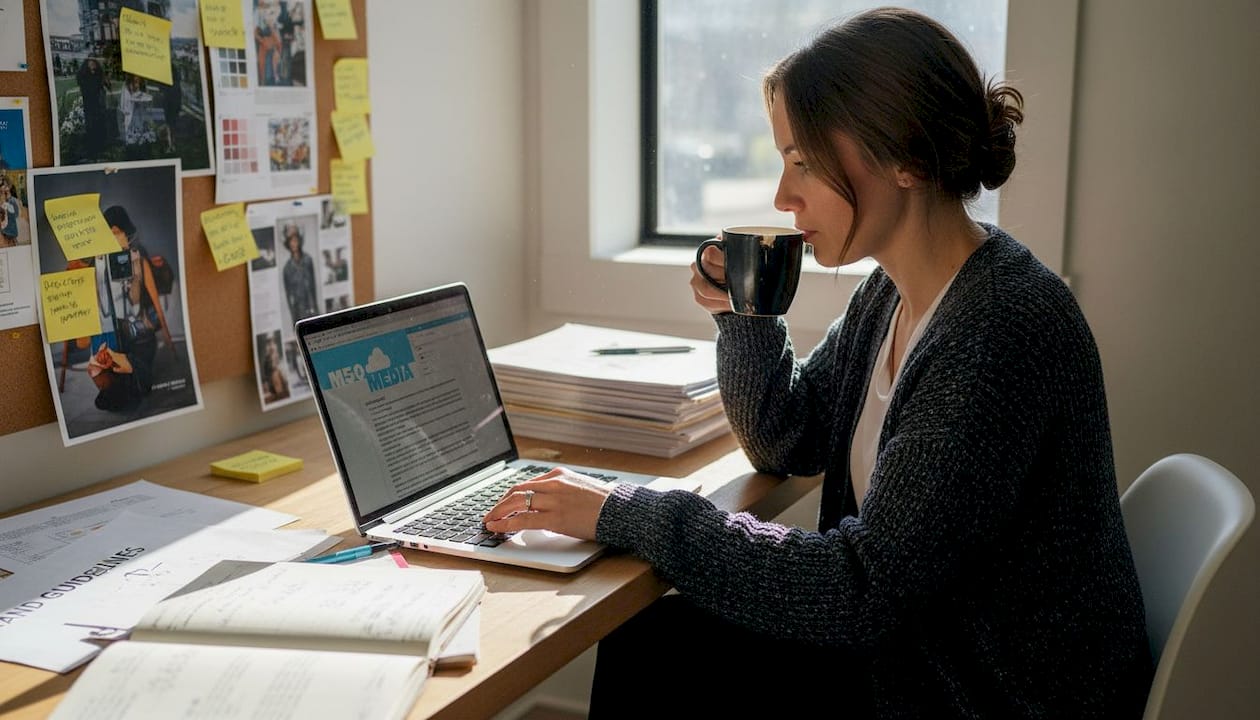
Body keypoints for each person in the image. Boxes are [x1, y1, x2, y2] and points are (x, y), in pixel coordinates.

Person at [484, 8, 1153, 718]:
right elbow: (788, 438)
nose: (781, 195)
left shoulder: (999, 331)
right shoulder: (894, 295)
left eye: (802, 161)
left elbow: (856, 589)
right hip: (921, 651)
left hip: (976, 692)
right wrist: (745, 316)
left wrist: (628, 513)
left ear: (908, 158)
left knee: (658, 657)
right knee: (657, 643)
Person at [75, 58, 111, 161]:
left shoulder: (99, 75)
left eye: (94, 62)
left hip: (99, 106)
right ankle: (92, 151)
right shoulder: (83, 76)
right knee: (91, 127)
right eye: (90, 62)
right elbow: (88, 89)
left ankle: (101, 149)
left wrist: (106, 81)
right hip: (90, 106)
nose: (92, 64)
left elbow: (108, 87)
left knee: (100, 126)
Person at [281, 223, 318, 323]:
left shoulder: (308, 260)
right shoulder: (287, 268)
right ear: (288, 244)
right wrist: (294, 319)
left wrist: (315, 308)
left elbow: (313, 287)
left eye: (295, 240)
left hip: (311, 308)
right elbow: (289, 296)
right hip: (299, 311)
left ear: (299, 241)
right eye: (290, 241)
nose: (293, 244)